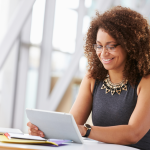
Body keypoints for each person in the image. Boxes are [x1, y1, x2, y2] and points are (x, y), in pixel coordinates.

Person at [27, 6, 150, 150]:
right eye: (99, 46)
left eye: (111, 46)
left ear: (131, 45)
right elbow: (71, 126)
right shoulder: (93, 78)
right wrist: (42, 131)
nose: (103, 53)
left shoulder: (146, 80)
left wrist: (87, 130)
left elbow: (133, 133)